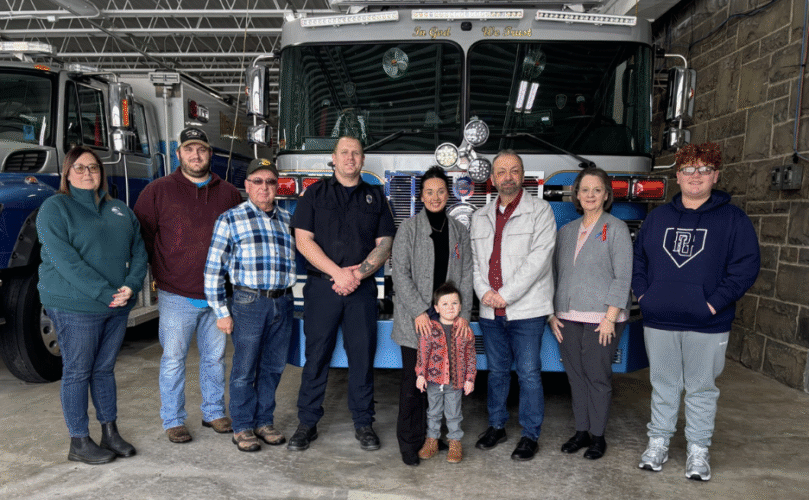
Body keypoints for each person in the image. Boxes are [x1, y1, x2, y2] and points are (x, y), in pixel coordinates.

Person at [633, 142, 760, 481]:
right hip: (660, 318)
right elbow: (639, 260)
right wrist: (645, 295)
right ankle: (658, 442)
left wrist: (713, 303)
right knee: (663, 385)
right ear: (677, 175)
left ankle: (698, 451)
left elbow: (745, 268)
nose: (696, 176)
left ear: (715, 175)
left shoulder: (734, 220)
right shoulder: (658, 218)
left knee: (701, 388)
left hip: (708, 322)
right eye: (689, 169)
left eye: (704, 170)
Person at [36, 146, 148, 464]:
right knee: (77, 371)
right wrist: (106, 293)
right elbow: (66, 261)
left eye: (94, 168)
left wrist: (132, 285)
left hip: (115, 303)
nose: (88, 173)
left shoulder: (118, 209)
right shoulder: (55, 208)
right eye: (80, 168)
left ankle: (109, 432)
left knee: (103, 369)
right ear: (67, 174)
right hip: (76, 305)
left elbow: (139, 250)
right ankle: (79, 441)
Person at [287, 135, 396, 452]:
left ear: (362, 161)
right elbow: (303, 240)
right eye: (344, 152)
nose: (350, 157)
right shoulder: (314, 194)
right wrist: (338, 274)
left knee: (362, 358)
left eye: (357, 153)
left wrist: (358, 274)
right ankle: (307, 423)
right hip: (322, 288)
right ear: (333, 159)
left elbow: (385, 243)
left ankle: (364, 424)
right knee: (316, 357)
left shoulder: (376, 197)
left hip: (362, 290)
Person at [134, 127, 242, 443]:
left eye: (202, 150)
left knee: (215, 358)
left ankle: (214, 412)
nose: (196, 156)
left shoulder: (229, 193)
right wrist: (160, 271)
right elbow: (144, 236)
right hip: (176, 293)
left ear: (211, 154)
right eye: (189, 149)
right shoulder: (157, 192)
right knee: (173, 360)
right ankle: (173, 419)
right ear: (179, 153)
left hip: (218, 296)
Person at [470, 150, 557, 461]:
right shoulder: (480, 217)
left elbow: (539, 260)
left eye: (514, 170)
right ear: (493, 178)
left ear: (523, 176)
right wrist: (485, 293)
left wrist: (505, 294)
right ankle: (496, 425)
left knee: (530, 372)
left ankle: (530, 434)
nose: (507, 176)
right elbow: (475, 264)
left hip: (526, 310)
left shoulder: (541, 211)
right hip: (490, 310)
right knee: (496, 372)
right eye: (501, 171)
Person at [204, 158, 296, 452]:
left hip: (283, 300)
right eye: (258, 181)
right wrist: (221, 312)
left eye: (270, 182)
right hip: (248, 301)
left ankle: (263, 421)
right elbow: (213, 269)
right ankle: (242, 426)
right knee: (245, 367)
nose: (264, 187)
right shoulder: (230, 219)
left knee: (273, 366)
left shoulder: (287, 220)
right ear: (247, 186)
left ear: (277, 187)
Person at [548, 167, 632, 460]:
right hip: (567, 318)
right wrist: (551, 313)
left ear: (607, 195)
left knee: (597, 377)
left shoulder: (617, 228)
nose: (590, 195)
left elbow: (623, 277)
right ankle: (581, 431)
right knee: (576, 377)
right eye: (584, 190)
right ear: (576, 195)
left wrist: (610, 317)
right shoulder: (566, 232)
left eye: (597, 190)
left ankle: (598, 436)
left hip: (602, 320)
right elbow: (553, 274)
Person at [391, 166, 473, 466]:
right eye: (429, 192)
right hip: (417, 322)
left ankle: (438, 438)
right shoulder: (408, 229)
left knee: (444, 383)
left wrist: (462, 314)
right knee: (415, 384)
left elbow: (466, 274)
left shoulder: (459, 231)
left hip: (449, 322)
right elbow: (399, 273)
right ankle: (410, 444)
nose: (435, 197)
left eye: (441, 191)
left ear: (448, 195)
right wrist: (420, 311)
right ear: (421, 196)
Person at [415, 282, 476, 464]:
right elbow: (422, 354)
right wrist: (420, 374)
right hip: (434, 381)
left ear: (461, 306)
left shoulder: (465, 330)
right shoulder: (430, 329)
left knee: (454, 413)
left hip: (455, 382)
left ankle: (455, 442)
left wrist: (470, 379)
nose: (450, 308)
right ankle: (432, 440)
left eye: (454, 303)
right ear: (436, 308)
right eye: (445, 304)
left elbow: (471, 357)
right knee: (433, 412)